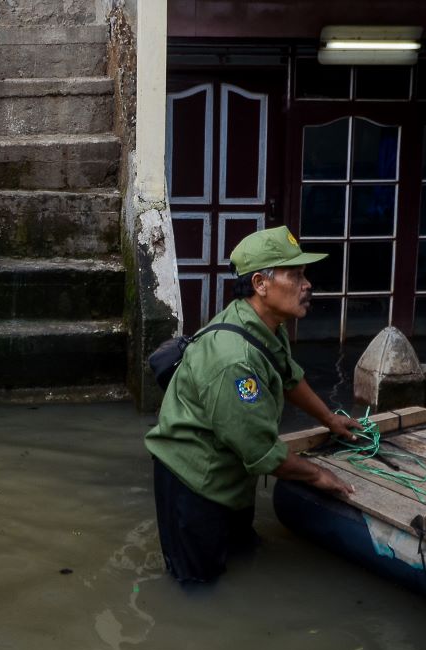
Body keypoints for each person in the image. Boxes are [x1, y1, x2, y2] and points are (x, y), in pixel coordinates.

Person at [145, 225, 360, 585]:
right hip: (193, 479)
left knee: (244, 556)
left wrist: (330, 419)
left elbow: (288, 376)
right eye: (295, 275)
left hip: (228, 472)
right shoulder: (235, 360)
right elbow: (260, 451)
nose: (306, 285)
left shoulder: (264, 325)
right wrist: (320, 476)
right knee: (197, 586)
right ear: (260, 284)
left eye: (304, 274)